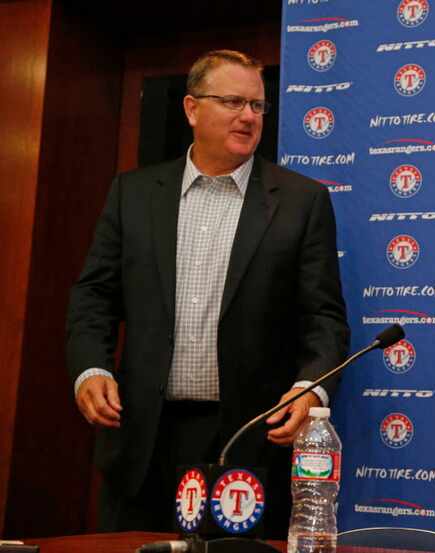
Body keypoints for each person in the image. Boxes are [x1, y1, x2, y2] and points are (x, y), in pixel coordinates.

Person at [67, 49, 349, 537]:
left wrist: (312, 387)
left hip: (247, 441)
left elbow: (324, 318)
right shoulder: (132, 195)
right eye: (233, 102)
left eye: (258, 106)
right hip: (143, 440)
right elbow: (94, 296)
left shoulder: (301, 202)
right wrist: (90, 367)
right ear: (192, 109)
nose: (248, 116)